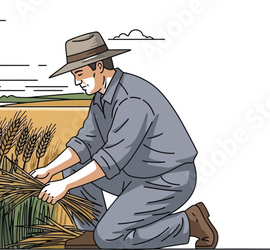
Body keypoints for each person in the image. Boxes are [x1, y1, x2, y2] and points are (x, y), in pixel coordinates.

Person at [30, 31, 218, 249]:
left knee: (109, 238)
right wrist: (50, 169)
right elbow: (85, 143)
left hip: (169, 179)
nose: (76, 82)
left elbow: (111, 159)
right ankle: (91, 232)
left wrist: (63, 185)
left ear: (99, 66)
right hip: (134, 174)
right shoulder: (101, 97)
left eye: (79, 73)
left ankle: (189, 223)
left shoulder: (132, 98)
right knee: (74, 167)